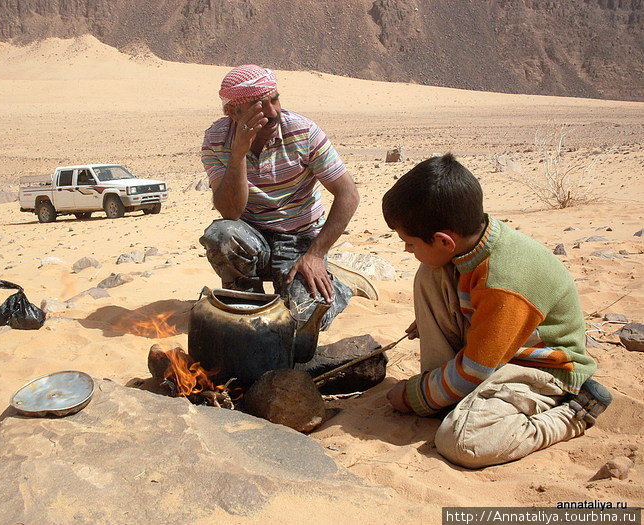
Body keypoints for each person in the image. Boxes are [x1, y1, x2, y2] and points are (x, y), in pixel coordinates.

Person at [382, 153, 612, 468]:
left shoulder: (503, 281)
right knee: (430, 273)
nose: (407, 250)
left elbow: (477, 367)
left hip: (544, 368)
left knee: (461, 441)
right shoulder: (475, 241)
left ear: (444, 241)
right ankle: (444, 397)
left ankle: (573, 415)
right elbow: (472, 302)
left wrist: (412, 396)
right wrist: (435, 315)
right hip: (496, 351)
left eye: (409, 244)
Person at [199, 64, 377, 330]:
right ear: (235, 112)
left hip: (299, 239)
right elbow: (230, 212)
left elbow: (348, 194)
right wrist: (238, 154)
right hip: (252, 238)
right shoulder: (216, 139)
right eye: (260, 106)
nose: (273, 113)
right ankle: (250, 298)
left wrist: (316, 254)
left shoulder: (303, 132)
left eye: (275, 99)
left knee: (303, 319)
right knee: (222, 235)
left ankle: (339, 285)